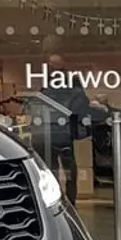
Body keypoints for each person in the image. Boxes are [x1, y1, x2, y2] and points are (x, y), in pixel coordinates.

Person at [36, 51, 93, 198]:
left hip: (59, 128)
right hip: (58, 129)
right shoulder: (53, 81)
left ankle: (63, 198)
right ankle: (64, 198)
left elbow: (80, 102)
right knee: (61, 167)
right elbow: (82, 103)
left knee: (58, 167)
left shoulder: (64, 81)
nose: (51, 67)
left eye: (52, 64)